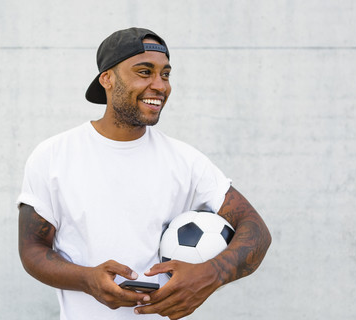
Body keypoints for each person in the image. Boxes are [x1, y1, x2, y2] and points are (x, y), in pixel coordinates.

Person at [17, 27, 271, 320]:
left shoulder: (186, 161)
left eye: (165, 74)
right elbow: (33, 249)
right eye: (144, 71)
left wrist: (210, 274)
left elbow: (256, 229)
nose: (160, 85)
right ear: (107, 79)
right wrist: (87, 279)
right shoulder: (53, 156)